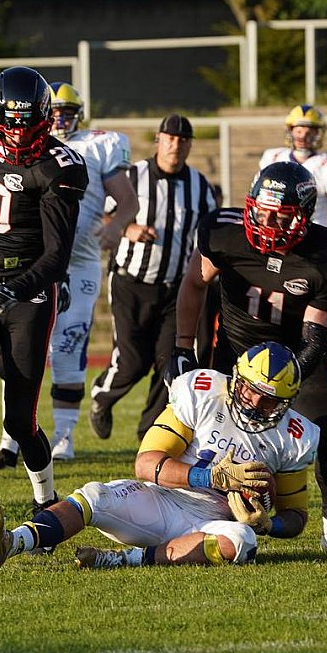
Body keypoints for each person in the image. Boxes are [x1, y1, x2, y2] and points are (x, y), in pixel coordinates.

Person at [0, 341, 316, 571]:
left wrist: (268, 524)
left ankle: (124, 560)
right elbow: (146, 463)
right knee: (95, 496)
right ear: (236, 378)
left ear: (286, 403)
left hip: (211, 522)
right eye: (249, 390)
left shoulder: (294, 435)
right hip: (164, 500)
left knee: (242, 541)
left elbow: (296, 516)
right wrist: (210, 476)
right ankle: (11, 542)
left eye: (269, 401)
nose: (254, 403)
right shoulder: (203, 392)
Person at [170, 159, 327, 557]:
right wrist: (182, 346)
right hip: (235, 351)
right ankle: (183, 516)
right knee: (197, 427)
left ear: (304, 216)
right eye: (261, 212)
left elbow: (316, 338)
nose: (267, 223)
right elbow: (194, 282)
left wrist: (286, 380)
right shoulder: (223, 233)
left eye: (280, 216)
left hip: (296, 355)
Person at [0, 66, 88, 556]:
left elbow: (57, 257)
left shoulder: (59, 167)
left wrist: (18, 288)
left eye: (29, 125)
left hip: (27, 291)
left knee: (20, 422)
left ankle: (45, 501)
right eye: (10, 124)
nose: (18, 135)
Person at [0, 81, 136, 464]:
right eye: (53, 112)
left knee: (68, 347)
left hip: (79, 263)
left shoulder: (97, 145)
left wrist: (118, 226)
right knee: (16, 353)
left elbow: (128, 200)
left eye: (67, 113)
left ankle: (64, 436)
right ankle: (10, 439)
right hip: (28, 263)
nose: (60, 119)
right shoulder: (21, 145)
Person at [87, 114, 216, 442]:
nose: (176, 145)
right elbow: (98, 212)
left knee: (169, 364)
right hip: (131, 282)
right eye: (169, 138)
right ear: (158, 140)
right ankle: (102, 395)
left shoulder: (201, 186)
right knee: (131, 363)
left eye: (183, 140)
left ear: (190, 145)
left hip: (175, 289)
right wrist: (126, 228)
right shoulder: (133, 175)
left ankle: (149, 433)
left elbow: (210, 234)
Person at [256, 104, 327, 235]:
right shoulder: (273, 158)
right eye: (298, 131)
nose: (303, 136)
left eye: (309, 132)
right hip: (276, 235)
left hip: (313, 238)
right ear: (290, 131)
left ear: (318, 133)